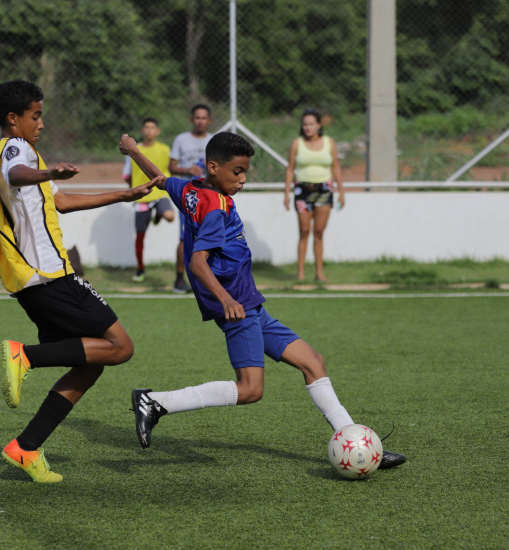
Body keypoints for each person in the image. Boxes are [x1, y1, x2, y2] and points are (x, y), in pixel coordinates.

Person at [120, 131, 405, 471]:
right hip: (238, 307)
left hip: (251, 305)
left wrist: (133, 151)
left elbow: (161, 179)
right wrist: (226, 299)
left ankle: (354, 441)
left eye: (245, 172)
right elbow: (197, 262)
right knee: (251, 389)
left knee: (313, 362)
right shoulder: (216, 208)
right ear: (214, 167)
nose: (243, 179)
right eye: (237, 171)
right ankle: (155, 402)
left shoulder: (193, 189)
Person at [0, 80, 160, 483]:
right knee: (121, 347)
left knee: (91, 364)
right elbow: (17, 173)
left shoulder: (22, 153)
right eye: (35, 116)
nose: (41, 123)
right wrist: (47, 170)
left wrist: (121, 196)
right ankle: (25, 356)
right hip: (50, 276)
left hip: (36, 281)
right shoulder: (15, 149)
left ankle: (26, 447)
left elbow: (60, 201)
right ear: (13, 119)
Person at [283, 109, 345, 281]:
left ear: (318, 125)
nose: (308, 127)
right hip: (302, 190)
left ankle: (319, 273)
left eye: (311, 124)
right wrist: (286, 193)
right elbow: (290, 169)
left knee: (319, 232)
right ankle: (300, 273)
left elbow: (335, 167)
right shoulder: (297, 143)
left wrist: (341, 191)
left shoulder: (329, 142)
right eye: (305, 124)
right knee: (304, 231)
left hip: (324, 190)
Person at [121, 117, 175, 282]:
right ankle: (140, 269)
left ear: (157, 131)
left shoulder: (165, 149)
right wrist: (134, 190)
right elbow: (127, 175)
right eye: (147, 127)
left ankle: (158, 214)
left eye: (152, 127)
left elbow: (170, 169)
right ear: (142, 130)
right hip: (142, 196)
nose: (149, 130)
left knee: (170, 216)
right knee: (140, 235)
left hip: (160, 194)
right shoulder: (134, 150)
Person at [168, 104, 214, 293]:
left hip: (209, 195)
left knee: (210, 237)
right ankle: (179, 279)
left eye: (203, 118)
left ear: (209, 120)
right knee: (184, 237)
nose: (200, 121)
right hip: (188, 195)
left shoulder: (214, 140)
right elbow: (171, 167)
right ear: (191, 120)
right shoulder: (181, 139)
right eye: (197, 117)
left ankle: (209, 280)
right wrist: (188, 169)